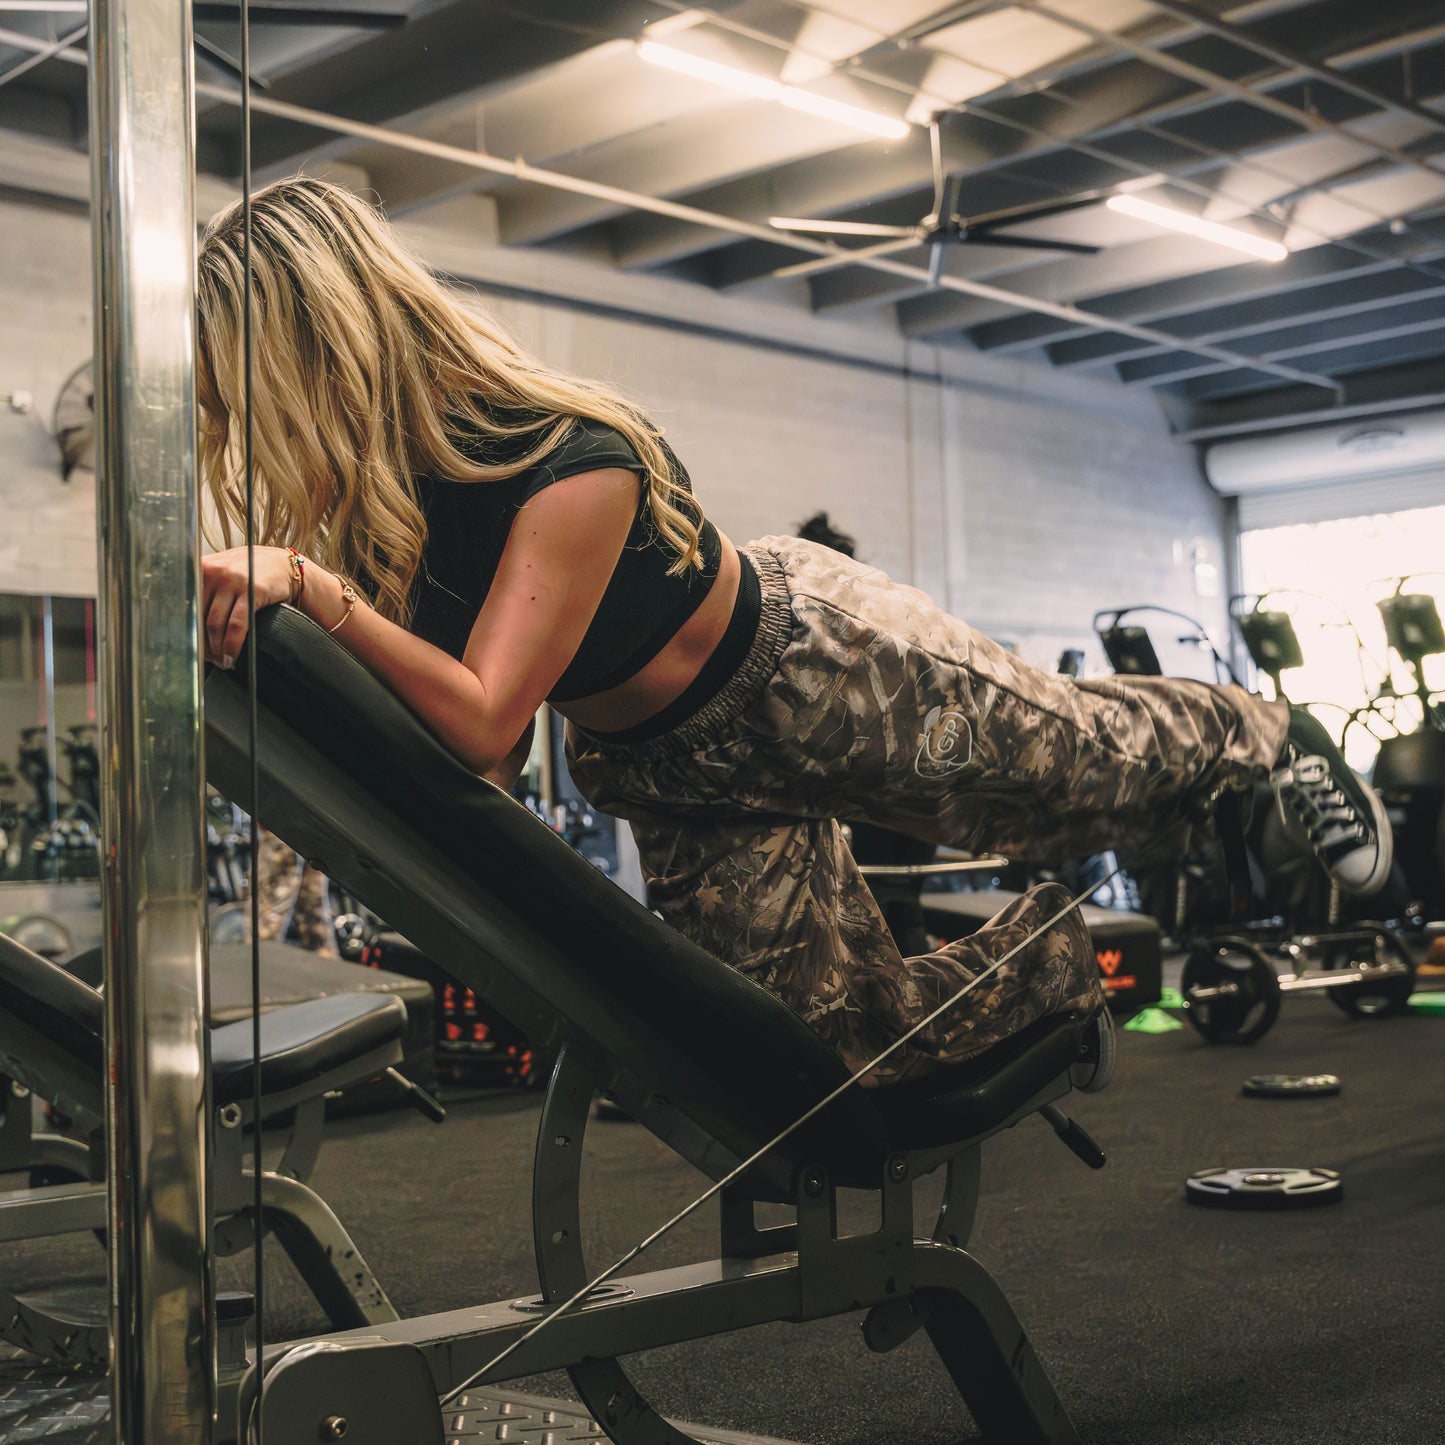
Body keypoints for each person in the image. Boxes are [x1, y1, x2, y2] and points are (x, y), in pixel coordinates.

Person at [196, 176, 1392, 1086]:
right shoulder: (399, 517)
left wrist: (304, 582)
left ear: (321, 343)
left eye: (253, 381)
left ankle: (1265, 730)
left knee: (1070, 775)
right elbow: (495, 766)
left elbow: (487, 719)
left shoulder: (564, 455)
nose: (252, 422)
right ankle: (1063, 972)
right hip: (672, 767)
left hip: (814, 667)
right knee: (820, 1054)